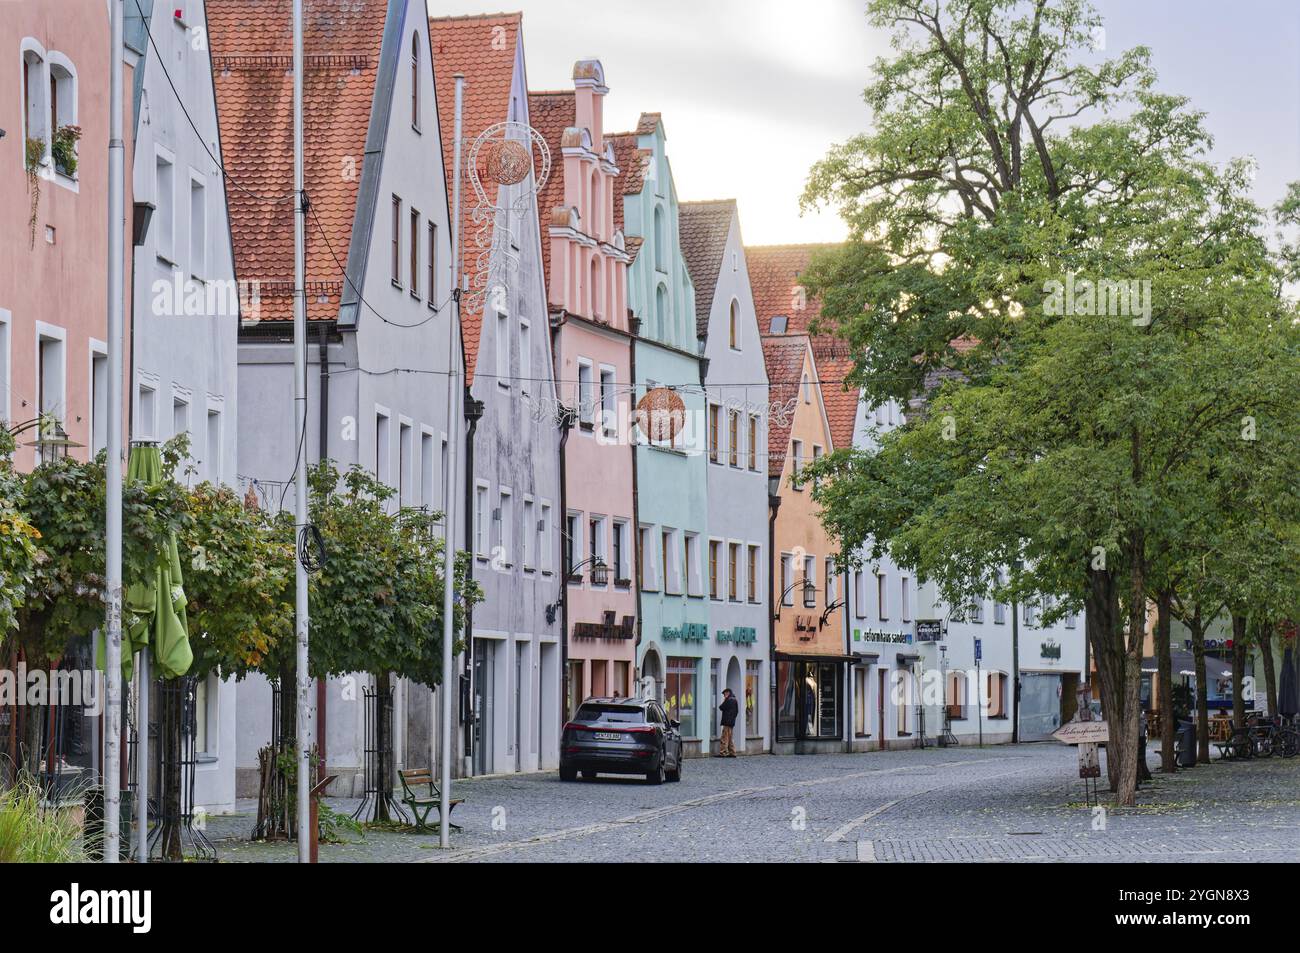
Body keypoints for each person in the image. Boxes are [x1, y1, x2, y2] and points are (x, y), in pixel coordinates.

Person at [717, 688, 739, 757]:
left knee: (724, 737)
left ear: (728, 693)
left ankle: (723, 752)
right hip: (731, 722)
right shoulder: (735, 700)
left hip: (727, 722)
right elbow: (736, 712)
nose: (724, 695)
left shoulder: (728, 700)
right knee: (730, 738)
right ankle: (732, 752)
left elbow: (721, 707)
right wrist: (733, 719)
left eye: (724, 694)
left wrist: (725, 700)